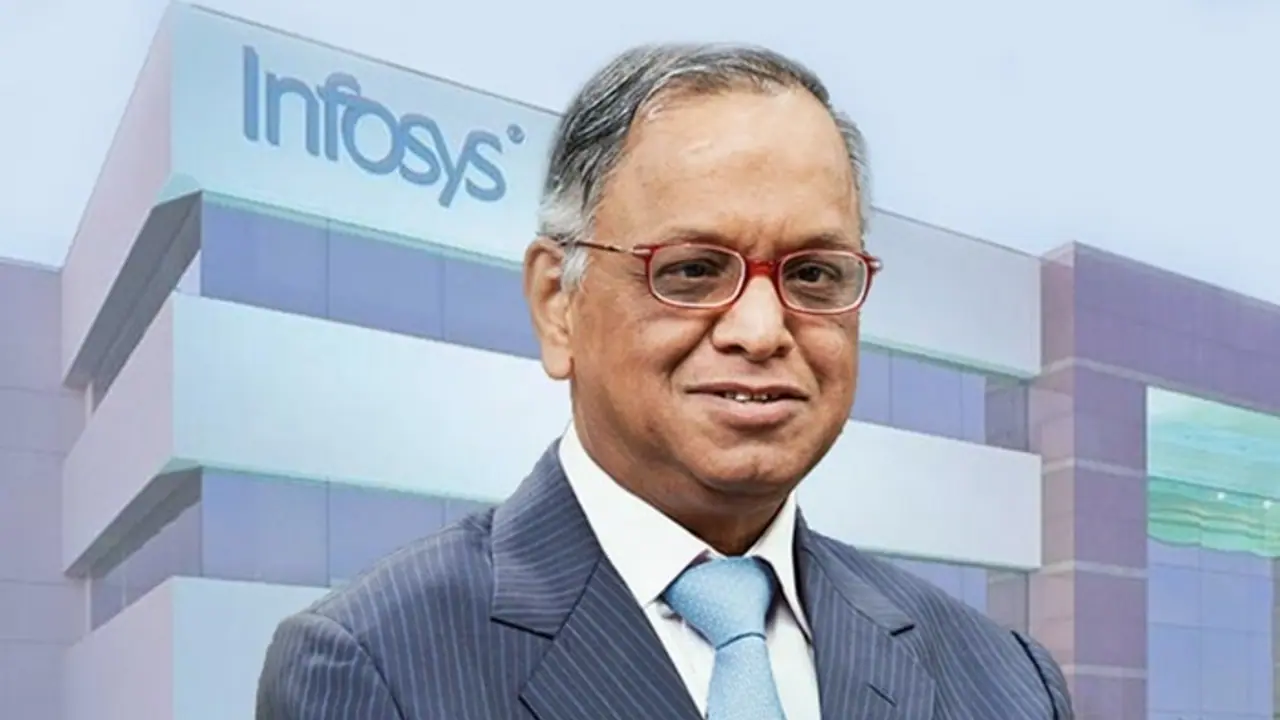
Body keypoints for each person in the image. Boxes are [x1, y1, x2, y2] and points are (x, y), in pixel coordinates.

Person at [256, 43, 1073, 720]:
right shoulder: (378, 666)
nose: (761, 330)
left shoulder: (1003, 682)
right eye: (691, 270)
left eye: (814, 274)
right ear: (558, 304)